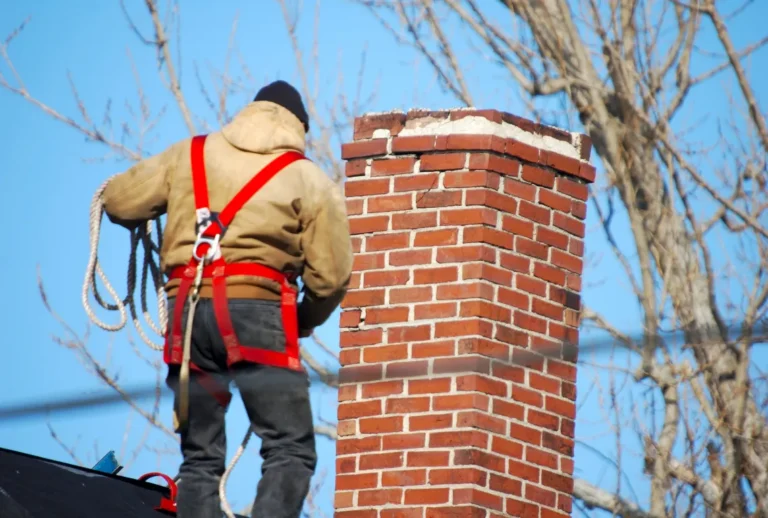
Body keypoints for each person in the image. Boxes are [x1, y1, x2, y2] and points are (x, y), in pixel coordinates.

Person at [100, 80, 353, 518]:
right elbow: (330, 278)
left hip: (188, 314)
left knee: (200, 457)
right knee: (289, 448)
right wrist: (304, 317)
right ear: (298, 128)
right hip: (258, 313)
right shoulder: (307, 177)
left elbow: (119, 201)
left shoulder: (188, 154)